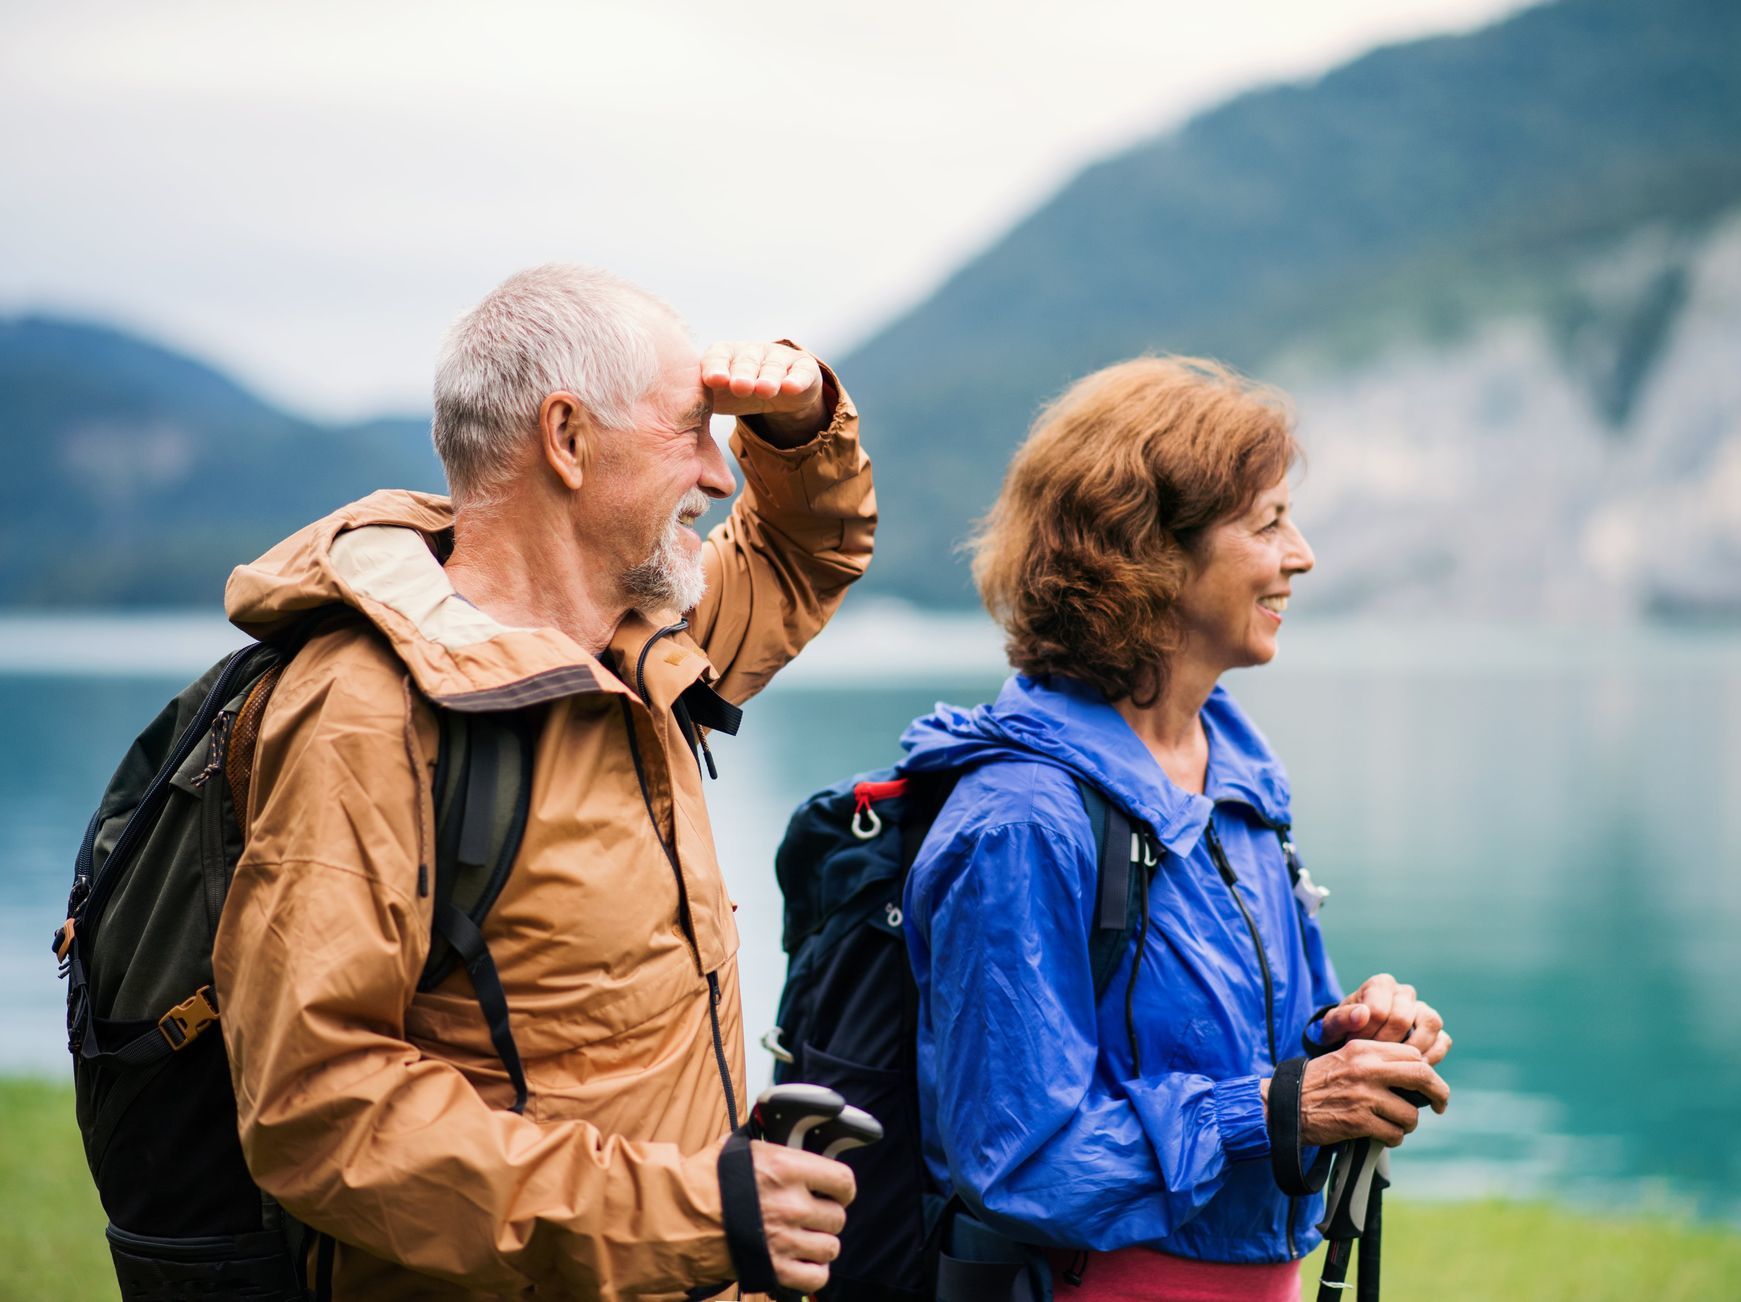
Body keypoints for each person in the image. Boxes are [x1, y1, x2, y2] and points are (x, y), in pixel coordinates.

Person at [211, 265, 876, 1298]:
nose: (717, 472)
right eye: (692, 431)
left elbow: (799, 556)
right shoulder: (366, 711)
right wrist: (702, 1213)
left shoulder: (645, 644)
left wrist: (799, 426)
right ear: (567, 440)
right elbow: (318, 1108)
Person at [898, 357, 1452, 1300]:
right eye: (1268, 522)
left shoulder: (1233, 765)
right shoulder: (1022, 819)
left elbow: (1263, 1048)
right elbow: (1019, 1160)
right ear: (1148, 552)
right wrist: (1275, 1110)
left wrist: (1349, 1037)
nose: (1303, 553)